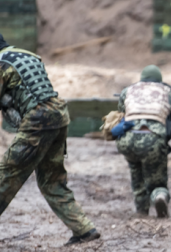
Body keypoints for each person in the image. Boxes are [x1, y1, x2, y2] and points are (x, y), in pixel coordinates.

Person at [0, 33, 100, 246]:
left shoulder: (1, 63)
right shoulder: (27, 55)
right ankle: (84, 229)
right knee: (51, 180)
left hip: (38, 119)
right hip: (59, 114)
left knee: (6, 174)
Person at [115, 65, 171, 218]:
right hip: (153, 138)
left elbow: (120, 117)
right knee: (156, 180)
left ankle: (141, 211)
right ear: (160, 80)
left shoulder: (127, 91)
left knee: (136, 172)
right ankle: (159, 195)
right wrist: (169, 137)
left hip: (127, 139)